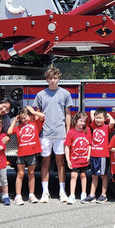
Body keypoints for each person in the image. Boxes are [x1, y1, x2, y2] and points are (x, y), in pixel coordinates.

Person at [34, 67, 73, 202]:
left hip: (60, 133)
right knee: (45, 162)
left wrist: (68, 133)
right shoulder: (40, 95)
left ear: (59, 79)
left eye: (55, 78)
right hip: (44, 133)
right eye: (50, 78)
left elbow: (68, 114)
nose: (52, 81)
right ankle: (45, 192)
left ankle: (62, 191)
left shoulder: (65, 93)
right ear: (46, 79)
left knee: (60, 162)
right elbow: (37, 115)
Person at [9, 107, 44, 204]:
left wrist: (33, 112)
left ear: (30, 116)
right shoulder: (18, 127)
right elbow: (9, 131)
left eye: (25, 117)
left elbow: (42, 116)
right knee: (20, 174)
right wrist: (15, 121)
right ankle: (18, 196)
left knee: (31, 174)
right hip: (21, 154)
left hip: (32, 154)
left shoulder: (35, 125)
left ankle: (31, 195)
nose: (24, 120)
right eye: (22, 118)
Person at [87, 109, 115, 203]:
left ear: (104, 119)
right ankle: (92, 194)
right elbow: (91, 112)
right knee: (94, 175)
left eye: (100, 118)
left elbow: (113, 122)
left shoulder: (107, 127)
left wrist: (108, 115)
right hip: (93, 155)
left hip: (102, 155)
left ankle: (103, 195)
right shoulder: (94, 126)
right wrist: (98, 114)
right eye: (97, 118)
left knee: (103, 175)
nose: (98, 120)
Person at [64, 111, 92, 205]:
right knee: (73, 176)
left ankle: (83, 194)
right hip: (74, 159)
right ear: (75, 121)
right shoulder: (71, 132)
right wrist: (68, 160)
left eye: (84, 121)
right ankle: (72, 195)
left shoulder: (87, 130)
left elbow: (89, 144)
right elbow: (67, 146)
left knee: (83, 175)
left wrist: (88, 155)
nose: (82, 123)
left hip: (84, 158)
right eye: (80, 121)